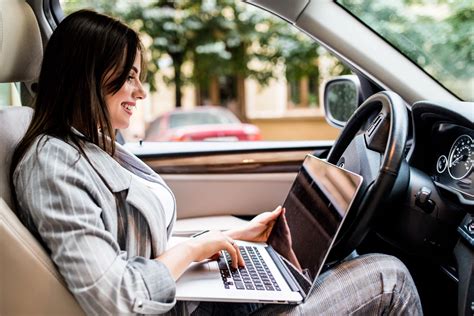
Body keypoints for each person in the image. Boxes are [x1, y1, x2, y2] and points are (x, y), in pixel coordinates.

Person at [10, 10, 422, 315]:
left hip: (190, 301)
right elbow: (116, 295)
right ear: (88, 75)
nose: (140, 90)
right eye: (129, 75)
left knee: (339, 261)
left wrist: (233, 236)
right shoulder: (53, 164)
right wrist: (194, 249)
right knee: (390, 277)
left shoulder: (89, 144)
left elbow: (123, 246)